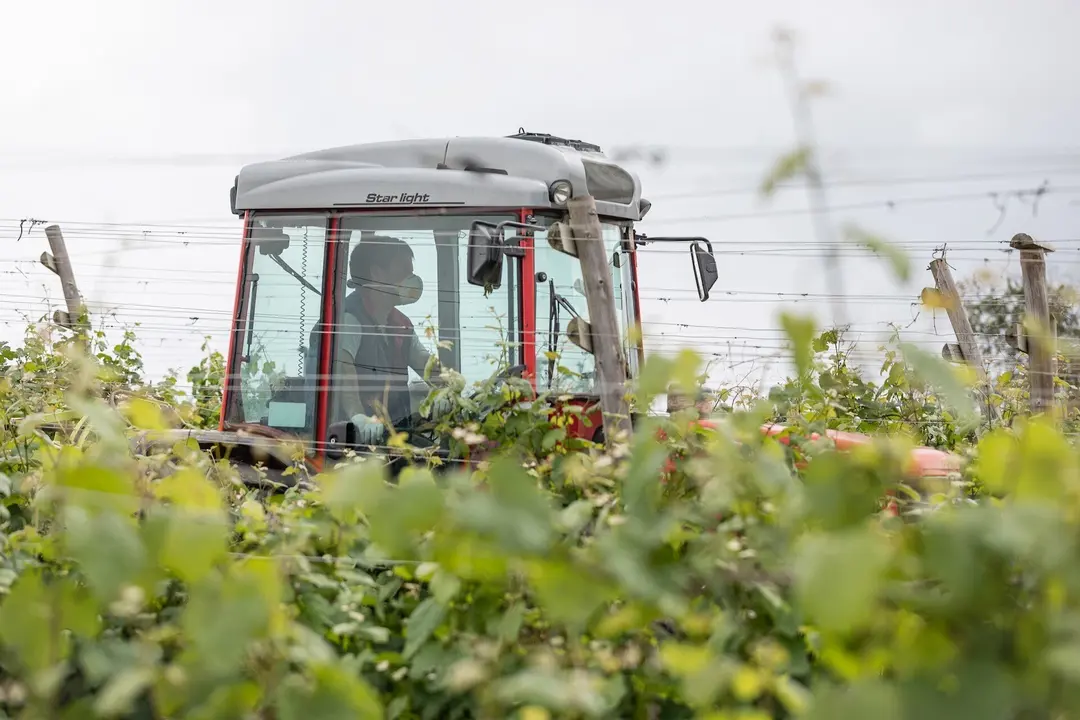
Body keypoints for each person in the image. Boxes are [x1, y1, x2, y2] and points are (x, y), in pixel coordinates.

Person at [333, 234, 448, 444]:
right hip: (354, 441)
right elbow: (343, 367)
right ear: (376, 273)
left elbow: (425, 362)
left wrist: (446, 390)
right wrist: (359, 418)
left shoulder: (400, 324)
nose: (412, 279)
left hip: (394, 433)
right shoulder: (349, 318)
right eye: (404, 272)